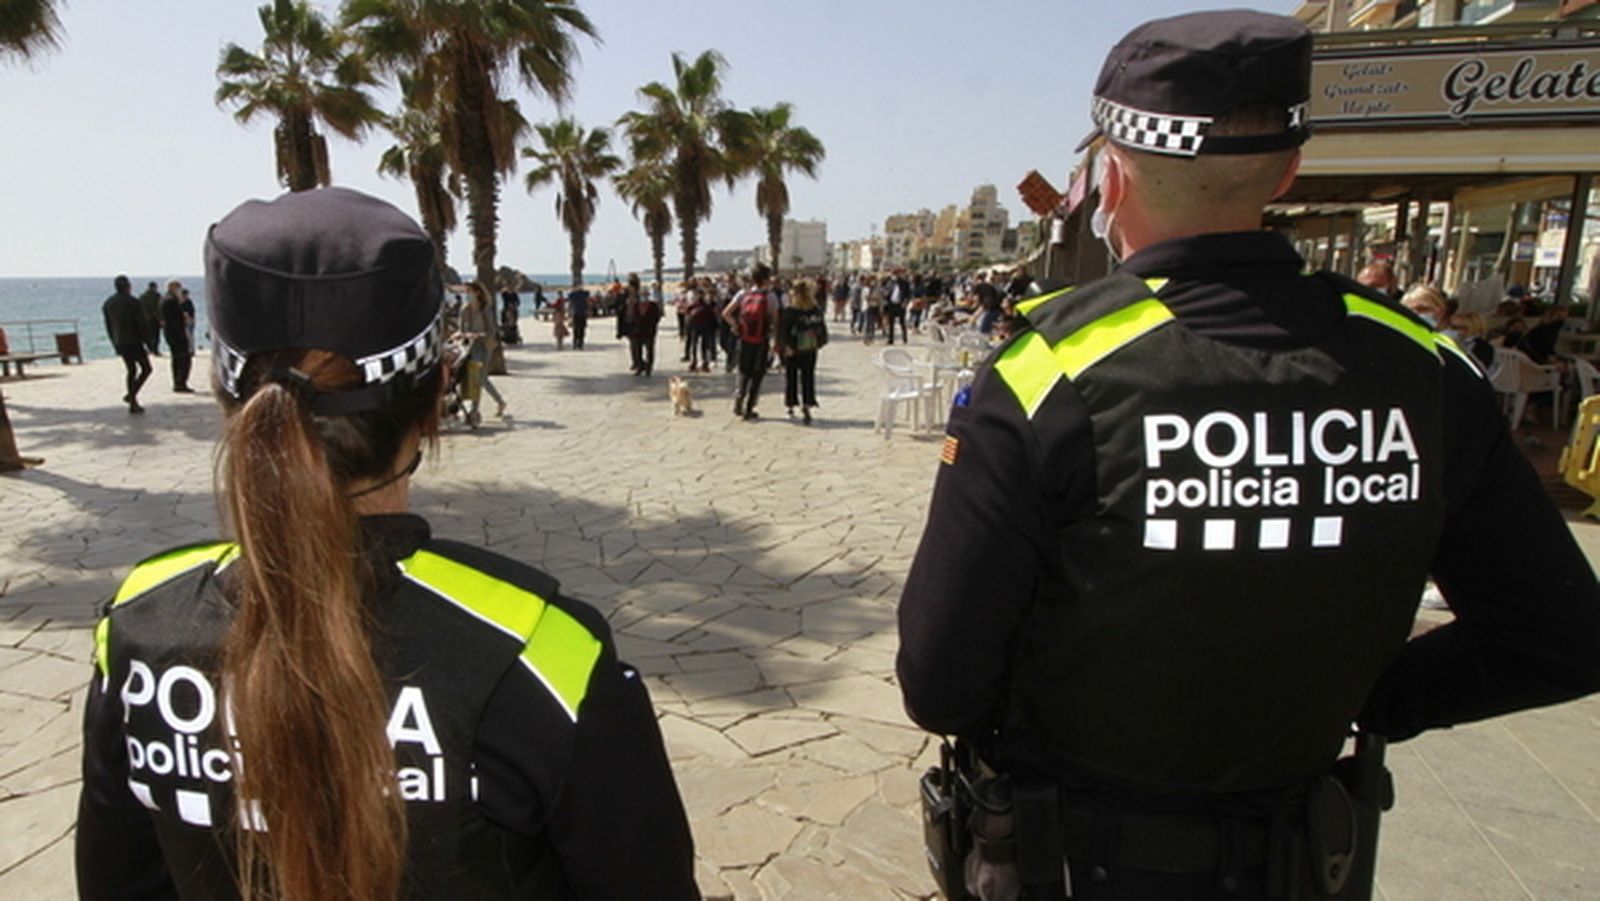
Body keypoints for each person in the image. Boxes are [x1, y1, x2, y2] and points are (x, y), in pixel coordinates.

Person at [897, 12, 1600, 901]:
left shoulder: (1052, 373)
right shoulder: (1424, 368)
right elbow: (1562, 638)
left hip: (1074, 853)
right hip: (1304, 856)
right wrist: (1373, 695)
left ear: (1111, 178)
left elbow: (940, 680)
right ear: (1289, 170)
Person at [75, 188, 697, 900]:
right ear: (435, 398)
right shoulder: (542, 656)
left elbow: (117, 883)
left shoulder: (137, 629)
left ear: (228, 399)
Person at [722, 263, 779, 421]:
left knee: (743, 370)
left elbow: (725, 313)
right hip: (761, 340)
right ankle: (749, 407)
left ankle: (739, 397)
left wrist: (735, 326)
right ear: (766, 279)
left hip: (744, 338)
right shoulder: (770, 297)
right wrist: (776, 339)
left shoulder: (743, 294)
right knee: (757, 373)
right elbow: (775, 321)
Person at [778, 279, 827, 425]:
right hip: (810, 348)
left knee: (791, 377)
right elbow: (821, 328)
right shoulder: (815, 309)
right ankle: (807, 403)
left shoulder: (790, 311)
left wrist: (785, 347)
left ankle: (791, 404)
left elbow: (783, 331)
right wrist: (819, 343)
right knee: (808, 376)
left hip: (793, 348)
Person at [102, 275, 152, 414]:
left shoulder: (108, 303)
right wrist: (149, 342)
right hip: (134, 342)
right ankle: (131, 396)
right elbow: (141, 324)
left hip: (120, 341)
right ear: (128, 286)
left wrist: (114, 342)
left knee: (131, 370)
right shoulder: (133, 302)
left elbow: (108, 326)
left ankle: (132, 400)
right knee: (146, 369)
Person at [458, 282, 509, 420]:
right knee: (481, 379)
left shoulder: (485, 310)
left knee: (478, 377)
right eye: (466, 291)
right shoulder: (465, 310)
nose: (467, 294)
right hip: (468, 347)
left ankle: (474, 411)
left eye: (469, 291)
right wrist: (462, 335)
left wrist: (479, 335)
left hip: (483, 346)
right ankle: (500, 401)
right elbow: (461, 329)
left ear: (477, 293)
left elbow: (492, 330)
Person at [160, 280, 195, 393]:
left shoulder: (165, 299)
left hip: (170, 333)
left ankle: (178, 382)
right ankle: (181, 382)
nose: (180, 290)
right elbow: (174, 320)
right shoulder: (170, 301)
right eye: (178, 287)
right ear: (173, 288)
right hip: (176, 334)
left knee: (176, 358)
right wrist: (183, 322)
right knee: (183, 358)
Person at [137, 281, 163, 356]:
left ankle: (151, 349)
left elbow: (140, 308)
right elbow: (160, 308)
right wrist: (161, 318)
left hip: (147, 319)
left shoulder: (143, 296)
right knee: (155, 335)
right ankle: (154, 350)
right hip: (154, 318)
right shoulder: (157, 296)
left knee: (149, 335)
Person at [567, 286, 590, 350]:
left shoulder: (573, 295)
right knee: (582, 329)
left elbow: (570, 304)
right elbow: (587, 303)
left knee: (576, 329)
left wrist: (569, 313)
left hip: (576, 313)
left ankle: (575, 343)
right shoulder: (584, 295)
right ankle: (580, 343)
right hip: (582, 313)